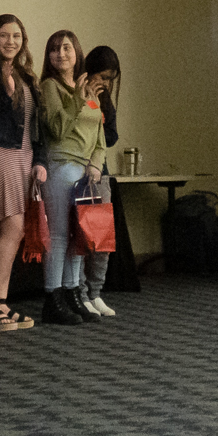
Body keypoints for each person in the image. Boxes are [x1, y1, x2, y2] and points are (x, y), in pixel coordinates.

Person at [0, 14, 46, 332]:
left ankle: (0, 301)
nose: (10, 41)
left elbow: (37, 126)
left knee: (15, 231)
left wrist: (40, 160)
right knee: (11, 227)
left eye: (16, 36)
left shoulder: (26, 75)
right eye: (4, 35)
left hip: (25, 157)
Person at [38, 30, 107, 326]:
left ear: (77, 52)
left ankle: (73, 295)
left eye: (66, 48)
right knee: (59, 235)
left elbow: (100, 136)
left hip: (85, 171)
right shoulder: (50, 86)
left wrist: (97, 164)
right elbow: (56, 129)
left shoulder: (88, 91)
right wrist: (76, 101)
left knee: (79, 237)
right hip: (61, 164)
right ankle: (53, 298)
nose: (61, 54)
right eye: (54, 49)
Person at [73, 44, 124, 317]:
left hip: (99, 171)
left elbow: (112, 136)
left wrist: (99, 105)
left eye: (110, 79)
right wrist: (86, 99)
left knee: (100, 239)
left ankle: (96, 292)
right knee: (80, 238)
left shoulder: (106, 100)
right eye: (102, 76)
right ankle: (80, 293)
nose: (105, 83)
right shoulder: (75, 92)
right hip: (76, 169)